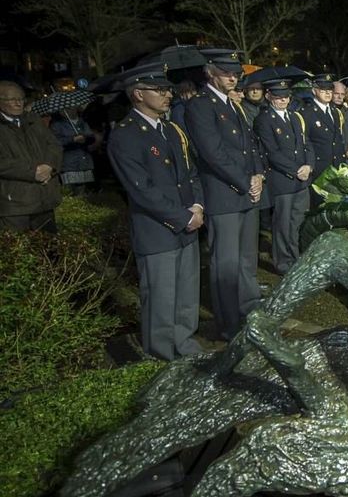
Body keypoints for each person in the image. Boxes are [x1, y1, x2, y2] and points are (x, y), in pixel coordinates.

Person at [107, 65, 205, 360]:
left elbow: (191, 173)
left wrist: (198, 206)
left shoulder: (171, 129)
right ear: (138, 94)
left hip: (189, 222)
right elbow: (142, 190)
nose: (167, 95)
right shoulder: (125, 135)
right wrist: (184, 216)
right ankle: (161, 355)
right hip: (158, 229)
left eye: (167, 90)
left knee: (187, 293)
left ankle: (184, 343)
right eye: (159, 90)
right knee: (161, 297)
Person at [186, 50, 264, 340]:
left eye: (236, 74)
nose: (233, 77)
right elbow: (213, 153)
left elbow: (250, 145)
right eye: (226, 73)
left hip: (246, 192)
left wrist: (258, 175)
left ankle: (249, 312)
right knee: (226, 264)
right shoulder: (200, 106)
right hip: (224, 195)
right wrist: (245, 181)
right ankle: (229, 323)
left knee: (246, 260)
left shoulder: (232, 105)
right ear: (210, 73)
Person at [254, 79, 314, 274]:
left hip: (302, 180)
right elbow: (271, 152)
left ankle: (295, 258)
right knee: (282, 224)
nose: (283, 100)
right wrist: (296, 169)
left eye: (286, 96)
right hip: (283, 181)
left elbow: (307, 144)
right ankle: (282, 263)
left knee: (297, 223)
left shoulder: (295, 117)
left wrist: (309, 165)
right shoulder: (263, 120)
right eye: (278, 96)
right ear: (269, 96)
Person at [0, 80, 62, 232]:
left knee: (50, 250)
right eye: (12, 99)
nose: (18, 103)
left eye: (21, 99)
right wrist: (32, 172)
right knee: (19, 252)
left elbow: (54, 145)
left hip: (44, 200)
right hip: (14, 205)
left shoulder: (33, 119)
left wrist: (49, 166)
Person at [300, 73, 348, 207]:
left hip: (337, 165)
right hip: (320, 168)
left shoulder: (336, 112)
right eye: (323, 90)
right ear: (314, 91)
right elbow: (305, 141)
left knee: (336, 206)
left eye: (330, 90)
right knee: (319, 207)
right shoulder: (306, 112)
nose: (327, 93)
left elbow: (340, 137)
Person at [50, 105, 97, 194]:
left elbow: (91, 137)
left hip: (84, 162)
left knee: (81, 192)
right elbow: (54, 142)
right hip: (68, 164)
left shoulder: (82, 122)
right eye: (65, 109)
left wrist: (85, 139)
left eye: (71, 108)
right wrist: (72, 139)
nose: (68, 111)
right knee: (68, 192)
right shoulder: (57, 125)